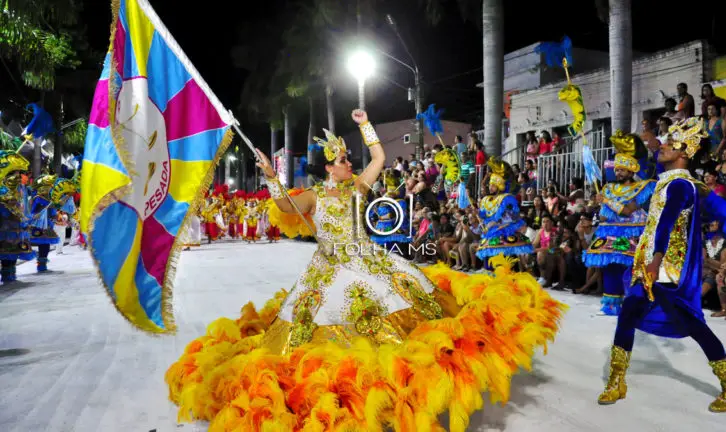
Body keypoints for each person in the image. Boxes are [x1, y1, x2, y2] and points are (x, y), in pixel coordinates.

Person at [166, 111, 565, 430]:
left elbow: (379, 158)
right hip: (329, 270)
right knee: (317, 328)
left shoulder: (358, 187)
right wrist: (272, 179)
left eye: (346, 158)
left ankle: (396, 387)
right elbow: (286, 208)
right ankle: (352, 394)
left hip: (368, 260)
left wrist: (366, 126)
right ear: (329, 168)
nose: (348, 162)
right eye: (342, 159)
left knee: (403, 309)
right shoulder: (314, 195)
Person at [597, 117, 726, 413]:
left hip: (665, 269)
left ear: (684, 152)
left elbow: (665, 224)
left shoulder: (679, 185)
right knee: (627, 315)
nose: (661, 146)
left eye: (669, 143)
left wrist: (656, 261)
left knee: (692, 324)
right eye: (663, 142)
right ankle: (616, 381)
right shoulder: (671, 182)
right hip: (649, 264)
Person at [584, 131, 656, 315]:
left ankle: (635, 303)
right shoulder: (609, 188)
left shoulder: (643, 186)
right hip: (611, 231)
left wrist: (606, 201)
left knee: (633, 269)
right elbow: (605, 216)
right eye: (616, 169)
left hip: (634, 231)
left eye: (622, 170)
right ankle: (612, 303)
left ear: (631, 170)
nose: (618, 172)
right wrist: (597, 206)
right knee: (611, 267)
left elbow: (627, 210)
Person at [476, 157, 534, 270]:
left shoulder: (507, 198)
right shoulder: (487, 199)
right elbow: (486, 214)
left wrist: (496, 222)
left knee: (503, 262)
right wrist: (478, 213)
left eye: (493, 185)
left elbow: (513, 216)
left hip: (504, 230)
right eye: (490, 185)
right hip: (490, 231)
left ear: (499, 186)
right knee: (489, 259)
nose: (490, 187)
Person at [28, 175, 78, 272]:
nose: (50, 189)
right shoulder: (38, 198)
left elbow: (56, 207)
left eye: (50, 187)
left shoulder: (49, 199)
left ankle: (42, 264)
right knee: (41, 245)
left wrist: (67, 195)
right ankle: (40, 264)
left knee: (46, 245)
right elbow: (52, 205)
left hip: (48, 225)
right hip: (39, 226)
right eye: (48, 187)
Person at [0, 148, 35, 284]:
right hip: (5, 224)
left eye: (21, 173)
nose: (19, 176)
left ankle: (11, 273)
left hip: (17, 224)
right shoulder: (4, 188)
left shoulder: (21, 188)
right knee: (6, 249)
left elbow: (23, 204)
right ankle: (6, 273)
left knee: (14, 249)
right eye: (16, 173)